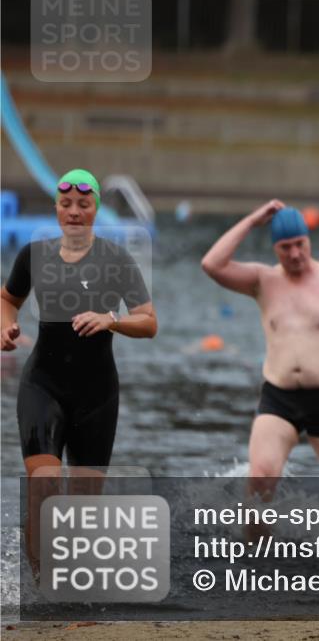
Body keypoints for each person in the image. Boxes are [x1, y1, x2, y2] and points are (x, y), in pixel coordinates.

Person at [201, 201, 319, 538]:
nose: (295, 254)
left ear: (308, 240)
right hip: (279, 397)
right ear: (275, 248)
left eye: (300, 244)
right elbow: (212, 264)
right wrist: (253, 219)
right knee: (259, 481)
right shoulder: (262, 280)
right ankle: (256, 566)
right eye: (285, 248)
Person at [1, 168, 158, 567]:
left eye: (83, 205)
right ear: (56, 208)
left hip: (96, 396)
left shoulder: (116, 259)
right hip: (43, 386)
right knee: (45, 485)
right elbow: (7, 299)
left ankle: (67, 581)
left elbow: (149, 321)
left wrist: (113, 320)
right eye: (66, 204)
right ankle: (40, 590)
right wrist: (6, 327)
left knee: (84, 509)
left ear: (95, 210)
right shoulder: (34, 256)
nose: (74, 211)